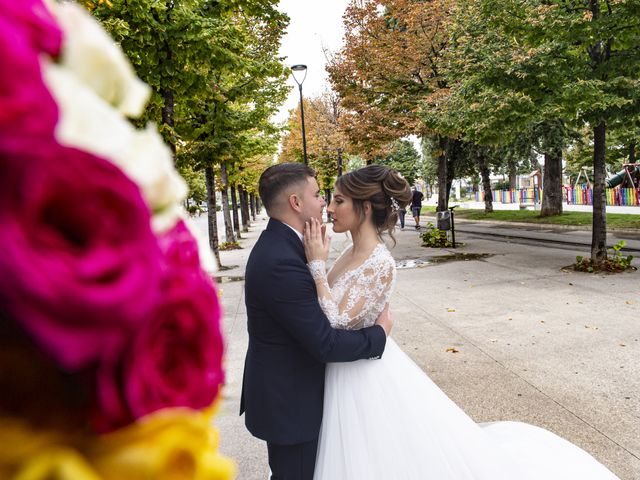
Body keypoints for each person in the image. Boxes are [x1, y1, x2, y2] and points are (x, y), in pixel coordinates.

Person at [304, 164, 620, 480]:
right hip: (347, 369)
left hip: (361, 375)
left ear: (366, 206)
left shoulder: (378, 261)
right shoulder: (349, 250)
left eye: (339, 200)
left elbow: (335, 320)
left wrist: (317, 266)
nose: (330, 208)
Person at [240, 163, 393, 480]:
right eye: (319, 194)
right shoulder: (280, 259)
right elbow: (325, 341)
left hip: (306, 394)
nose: (325, 203)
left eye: (335, 198)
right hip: (291, 405)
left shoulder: (287, 247)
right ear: (296, 203)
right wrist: (379, 336)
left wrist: (317, 264)